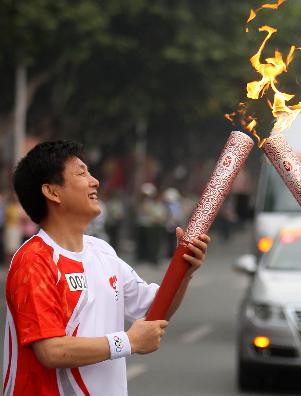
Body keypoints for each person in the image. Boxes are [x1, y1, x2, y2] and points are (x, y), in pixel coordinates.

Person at [3, 140, 210, 395]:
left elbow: (157, 311)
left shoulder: (102, 253)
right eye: (81, 173)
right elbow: (51, 351)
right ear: (52, 192)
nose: (94, 181)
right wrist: (128, 341)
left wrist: (185, 271)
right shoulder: (35, 260)